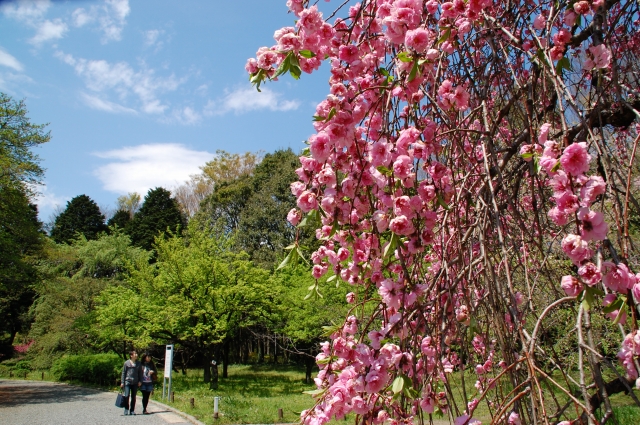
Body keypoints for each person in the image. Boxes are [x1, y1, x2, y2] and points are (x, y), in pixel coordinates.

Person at [120, 350, 143, 416]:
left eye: (136, 353)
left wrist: (140, 381)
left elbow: (140, 373)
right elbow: (123, 373)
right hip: (127, 381)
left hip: (135, 382)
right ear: (131, 355)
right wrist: (122, 382)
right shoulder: (126, 363)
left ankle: (132, 410)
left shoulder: (139, 363)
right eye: (135, 353)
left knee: (134, 397)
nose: (136, 354)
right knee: (126, 396)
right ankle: (126, 409)